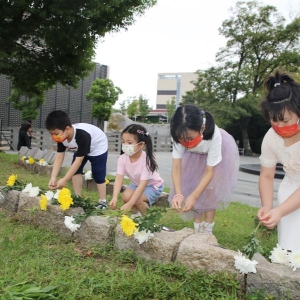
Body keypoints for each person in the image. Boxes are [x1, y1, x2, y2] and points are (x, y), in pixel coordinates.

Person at [169, 104, 239, 234]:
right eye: (181, 139)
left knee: (210, 191)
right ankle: (197, 226)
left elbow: (209, 172)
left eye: (190, 138)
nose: (186, 142)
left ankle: (208, 229)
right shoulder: (178, 132)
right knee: (192, 185)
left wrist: (195, 196)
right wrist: (178, 193)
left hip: (216, 157)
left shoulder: (214, 136)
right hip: (193, 157)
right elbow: (176, 166)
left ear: (201, 128)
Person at [257, 70, 300, 251]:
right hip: (289, 189)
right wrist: (268, 206)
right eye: (274, 121)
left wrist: (281, 210)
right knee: (290, 244)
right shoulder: (271, 137)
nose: (280, 126)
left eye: (285, 120)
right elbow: (266, 175)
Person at [45, 110, 108, 209]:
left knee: (98, 172)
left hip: (97, 146)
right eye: (51, 134)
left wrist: (65, 180)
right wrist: (53, 177)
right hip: (81, 148)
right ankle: (78, 197)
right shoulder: (61, 137)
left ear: (67, 129)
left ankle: (103, 201)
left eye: (55, 133)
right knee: (75, 171)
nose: (54, 136)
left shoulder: (82, 135)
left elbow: (78, 161)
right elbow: (59, 156)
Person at [109, 124, 164, 216]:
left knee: (136, 200)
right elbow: (119, 178)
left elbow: (143, 185)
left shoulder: (146, 160)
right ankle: (135, 217)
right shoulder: (122, 158)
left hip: (153, 186)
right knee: (126, 196)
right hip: (136, 184)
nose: (126, 145)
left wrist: (129, 204)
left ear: (141, 144)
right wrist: (114, 197)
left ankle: (149, 221)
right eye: (123, 142)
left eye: (129, 143)